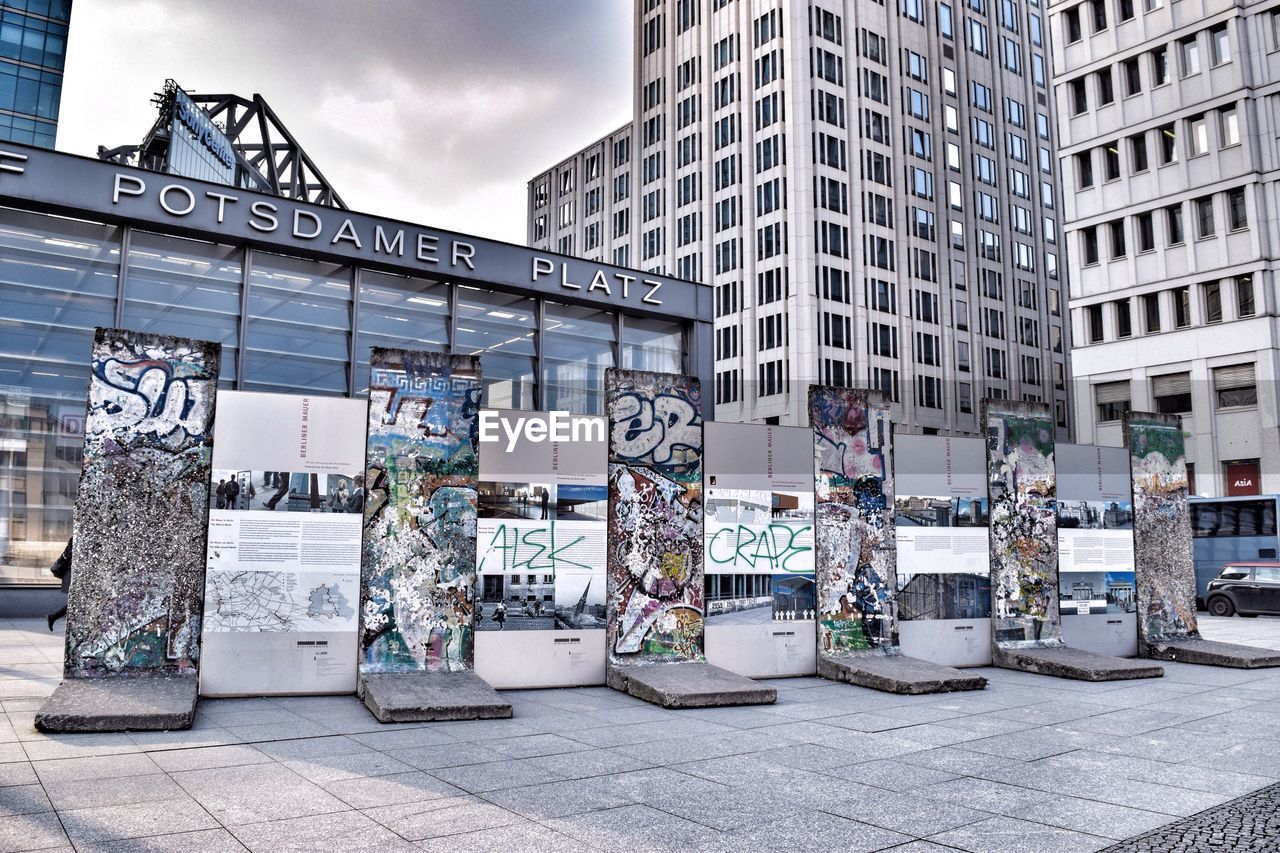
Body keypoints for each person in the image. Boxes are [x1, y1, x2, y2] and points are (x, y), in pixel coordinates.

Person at [46, 538, 72, 631]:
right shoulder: (76, 541)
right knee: (75, 603)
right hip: (71, 575)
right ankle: (53, 617)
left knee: (74, 603)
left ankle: (53, 617)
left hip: (70, 575)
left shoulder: (73, 541)